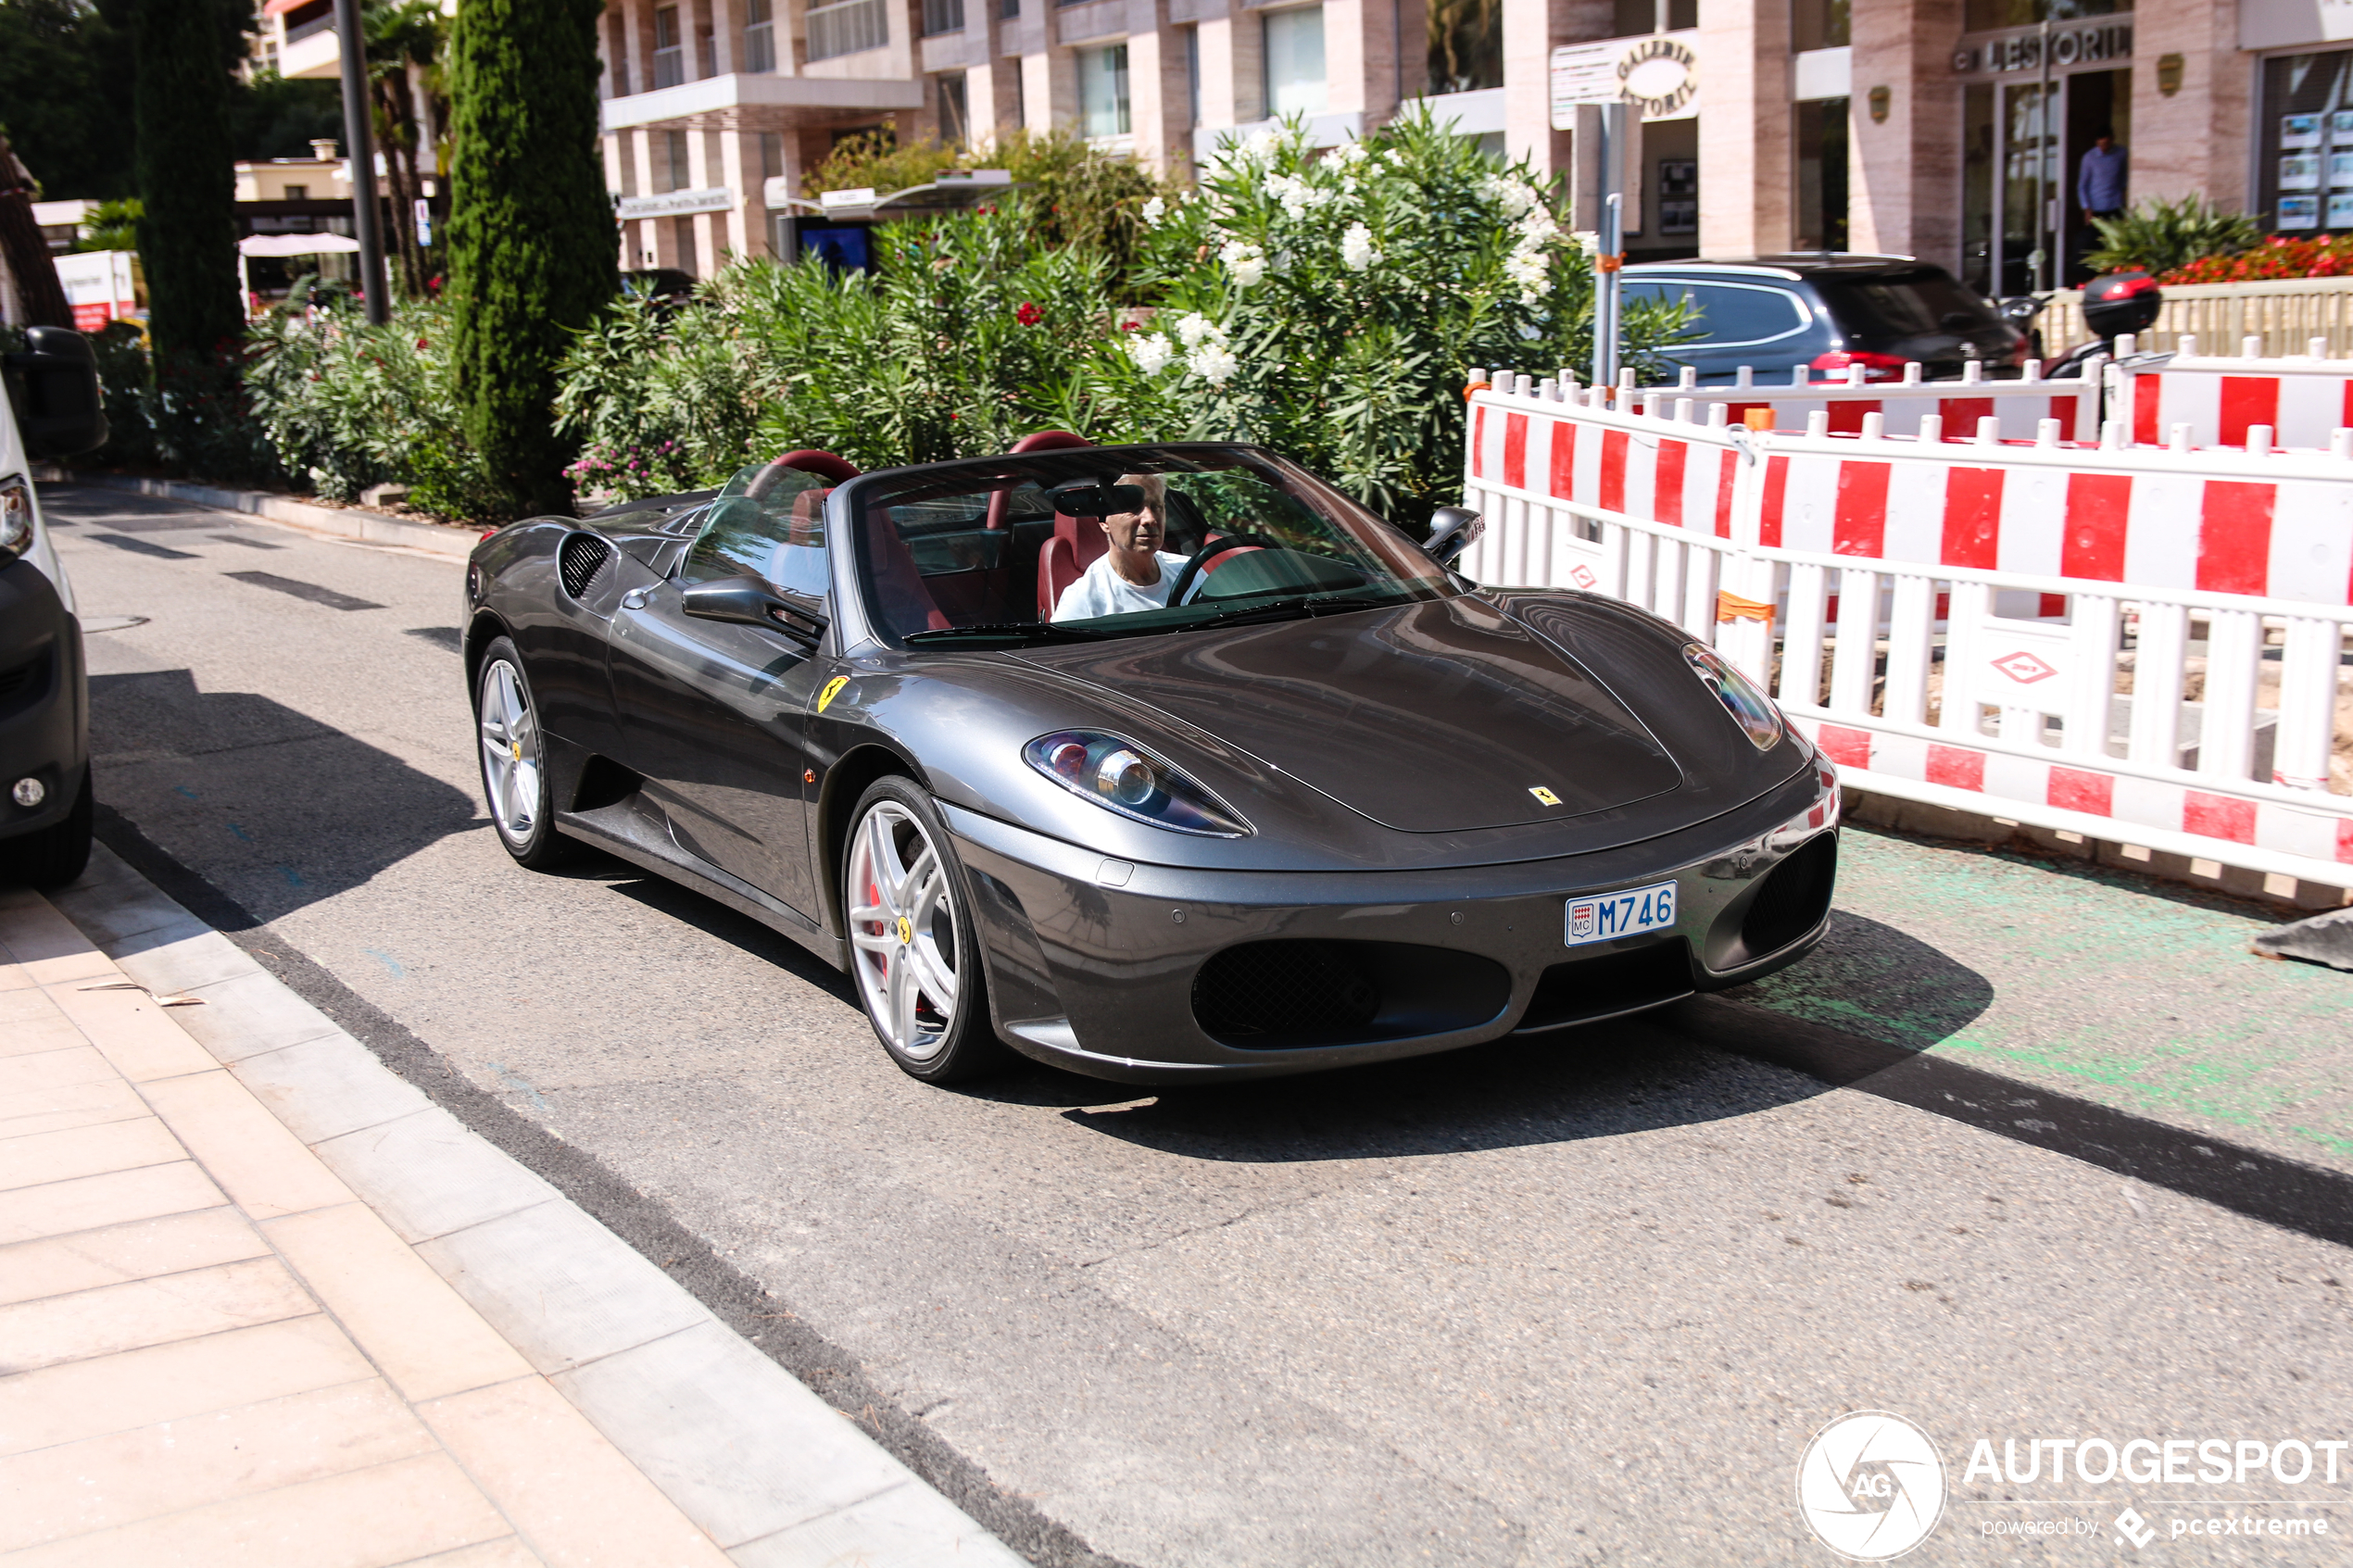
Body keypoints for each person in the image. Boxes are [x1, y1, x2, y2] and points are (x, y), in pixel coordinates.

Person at [1051, 473, 1192, 621]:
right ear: (1104, 521)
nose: (1150, 519)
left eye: (1156, 507)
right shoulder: (1084, 599)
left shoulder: (1189, 571)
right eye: (1133, 508)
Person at [2079, 129, 2127, 225]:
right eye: (2101, 145)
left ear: (2112, 140)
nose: (2103, 148)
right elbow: (2082, 185)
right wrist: (2087, 208)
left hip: (2115, 205)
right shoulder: (2089, 158)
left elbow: (2125, 175)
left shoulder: (2122, 153)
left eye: (2106, 144)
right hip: (2096, 206)